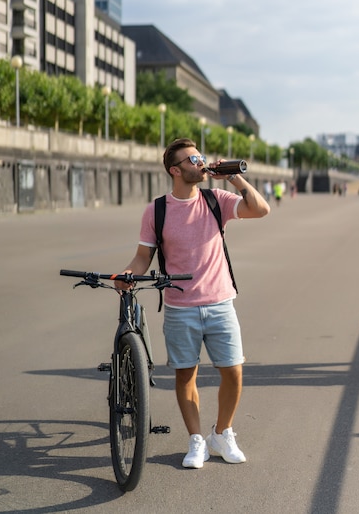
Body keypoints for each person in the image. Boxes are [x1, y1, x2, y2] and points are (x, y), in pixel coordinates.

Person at [114, 137, 270, 469]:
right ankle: (196, 440)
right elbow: (143, 257)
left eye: (200, 156)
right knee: (186, 375)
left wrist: (233, 176)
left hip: (220, 302)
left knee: (234, 372)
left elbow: (260, 209)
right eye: (192, 159)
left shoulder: (217, 200)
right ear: (175, 169)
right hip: (180, 307)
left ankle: (222, 432)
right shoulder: (156, 210)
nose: (200, 162)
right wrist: (126, 274)